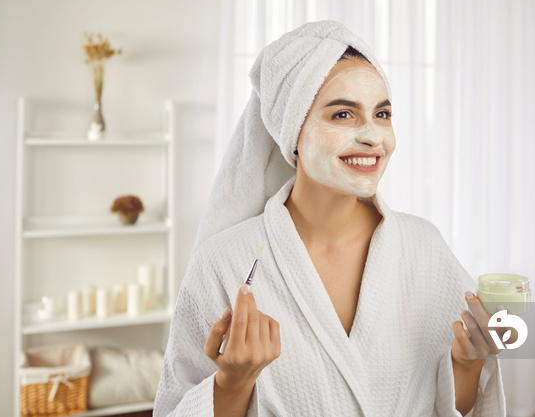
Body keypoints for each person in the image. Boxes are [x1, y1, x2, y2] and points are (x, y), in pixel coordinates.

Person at [153, 21, 506, 416]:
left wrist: (469, 364)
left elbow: (453, 406)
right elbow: (172, 408)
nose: (374, 137)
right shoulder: (223, 263)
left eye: (383, 113)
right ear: (292, 133)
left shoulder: (423, 248)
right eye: (343, 115)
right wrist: (231, 385)